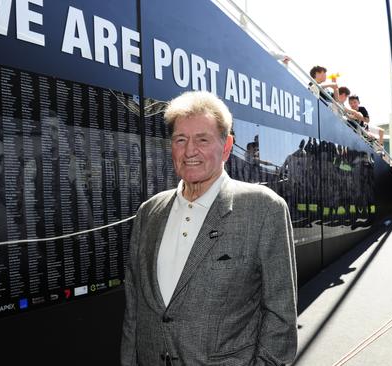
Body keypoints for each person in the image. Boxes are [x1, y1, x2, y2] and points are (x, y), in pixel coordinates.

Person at [121, 91, 297, 365]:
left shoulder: (263, 209)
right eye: (181, 139)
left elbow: (280, 315)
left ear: (226, 146)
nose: (190, 150)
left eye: (202, 139)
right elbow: (134, 310)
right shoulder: (149, 213)